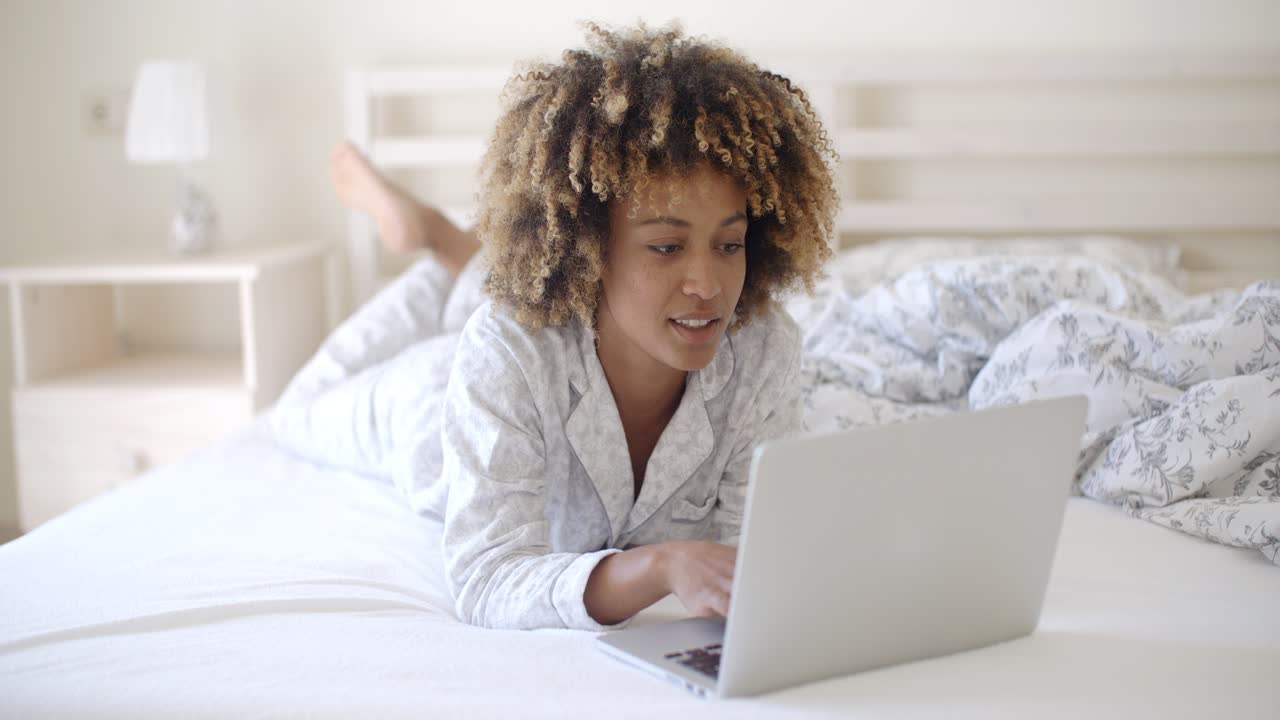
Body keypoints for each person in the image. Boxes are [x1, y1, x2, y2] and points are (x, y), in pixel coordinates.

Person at [271, 21, 838, 631]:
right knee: (296, 412)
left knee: (512, 297)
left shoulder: (765, 349)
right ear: (590, 250)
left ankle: (457, 251)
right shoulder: (504, 351)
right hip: (432, 400)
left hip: (561, 321)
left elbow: (748, 555)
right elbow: (488, 576)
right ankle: (435, 242)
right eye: (667, 247)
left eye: (729, 244)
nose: (708, 284)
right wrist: (656, 567)